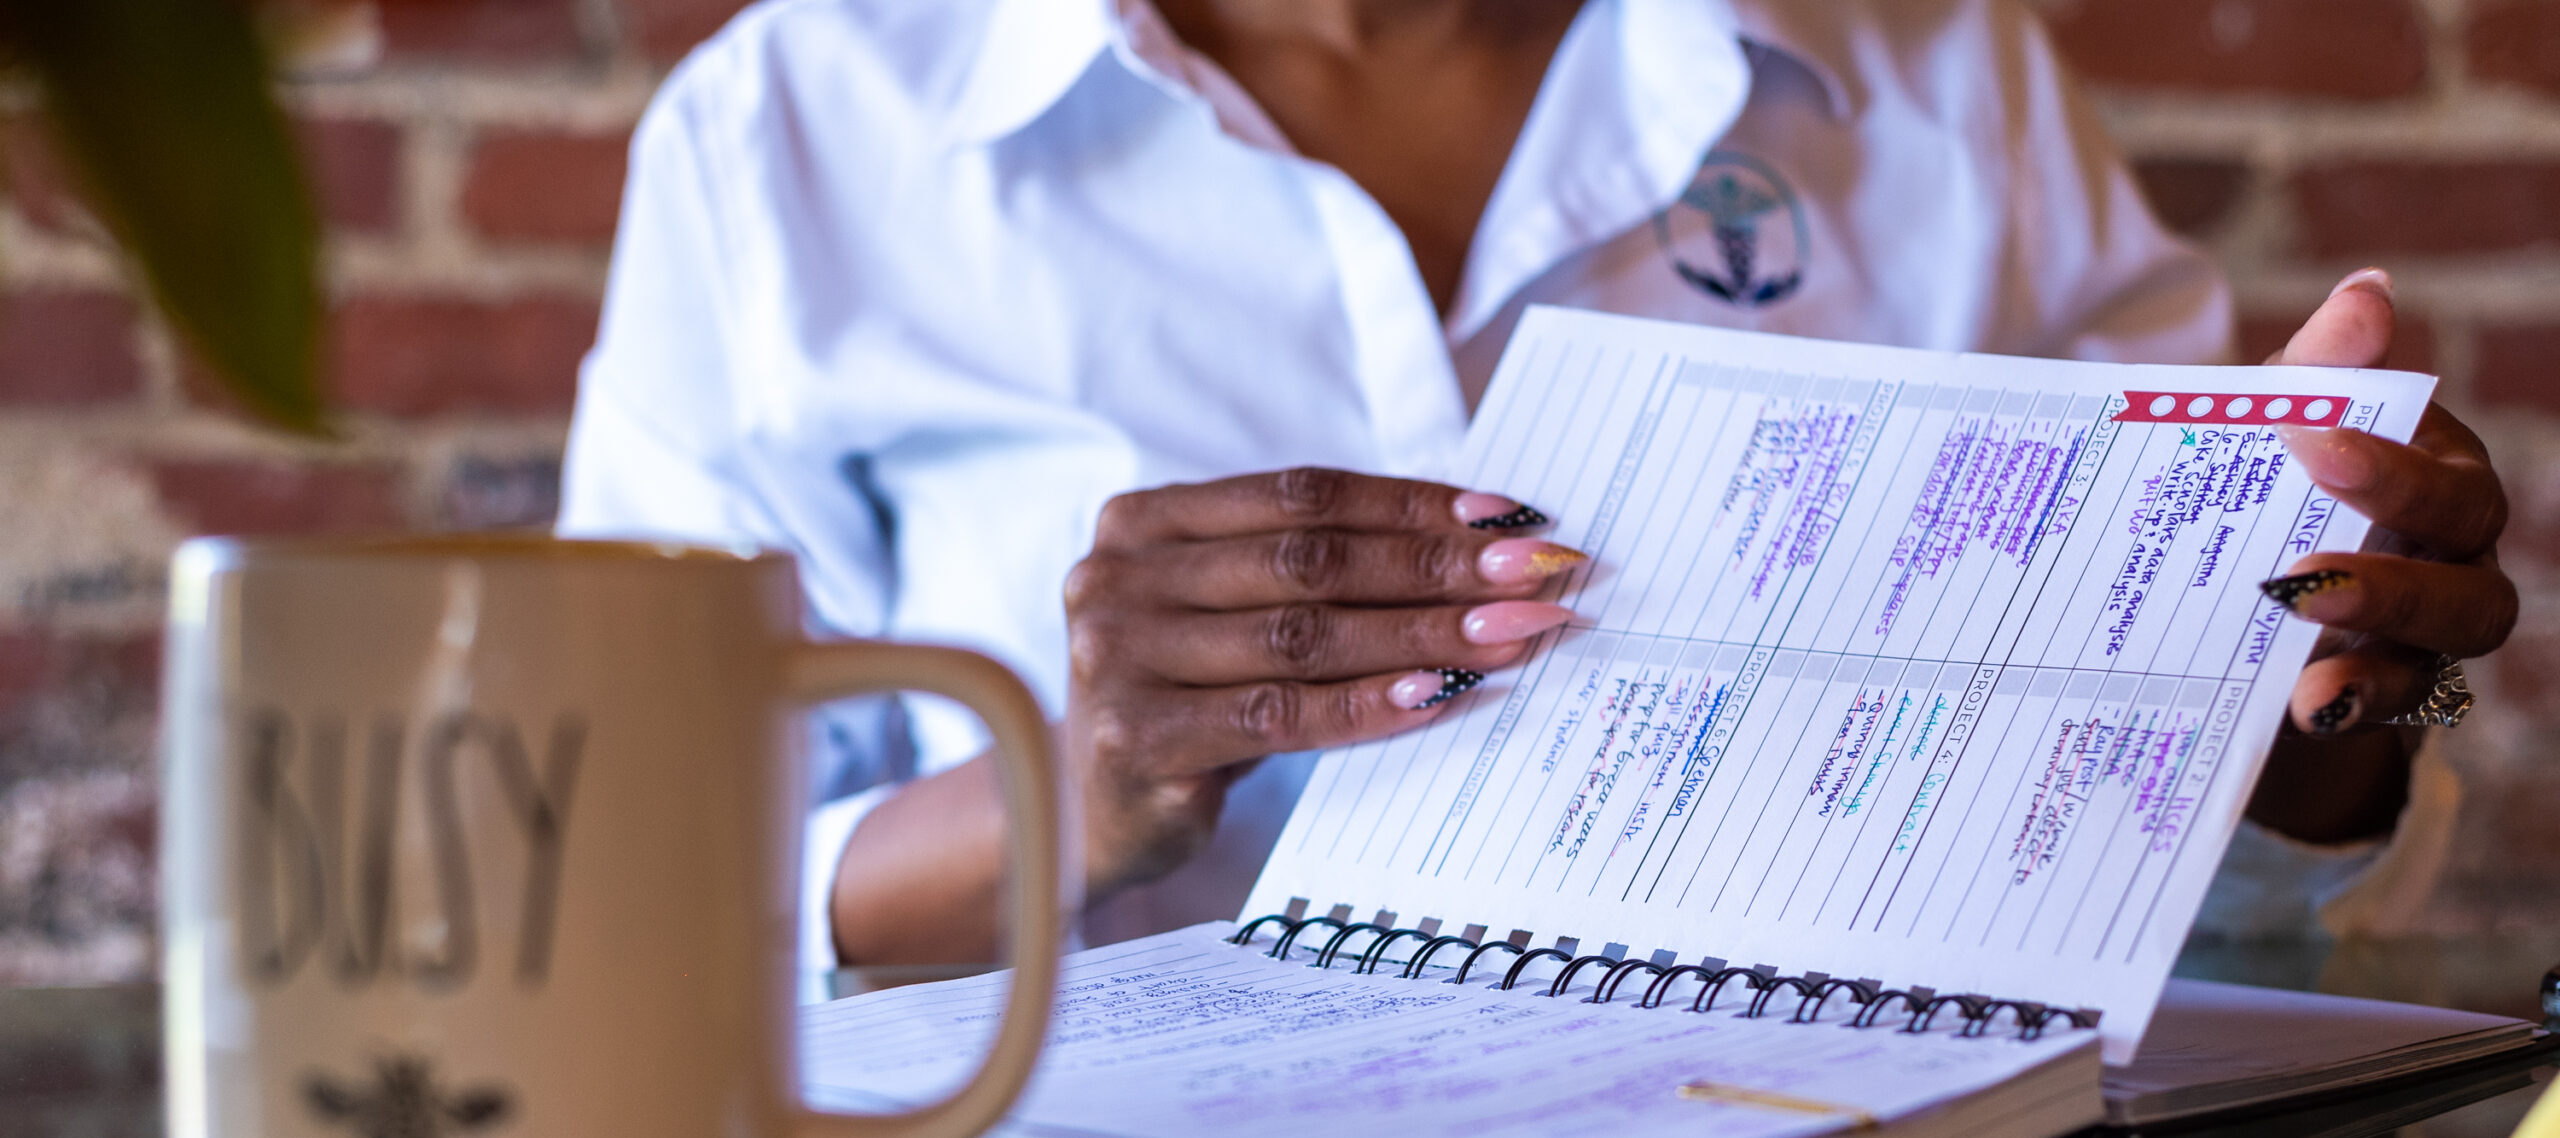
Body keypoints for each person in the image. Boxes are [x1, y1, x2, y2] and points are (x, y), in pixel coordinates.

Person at [559, 0, 2515, 982]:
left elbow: (2249, 864)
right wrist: (1077, 787)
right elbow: (621, 902)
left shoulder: (1932, 76)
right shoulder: (792, 135)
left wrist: (2318, 740)